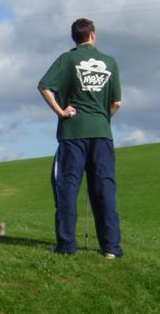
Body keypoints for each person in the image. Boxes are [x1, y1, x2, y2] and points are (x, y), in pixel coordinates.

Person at [37, 18, 122, 258]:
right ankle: (111, 248)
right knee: (104, 189)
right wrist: (102, 119)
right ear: (93, 35)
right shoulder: (110, 62)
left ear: (74, 37)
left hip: (72, 133)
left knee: (68, 188)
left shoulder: (67, 59)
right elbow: (116, 103)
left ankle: (67, 246)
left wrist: (61, 111)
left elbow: (44, 86)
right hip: (102, 135)